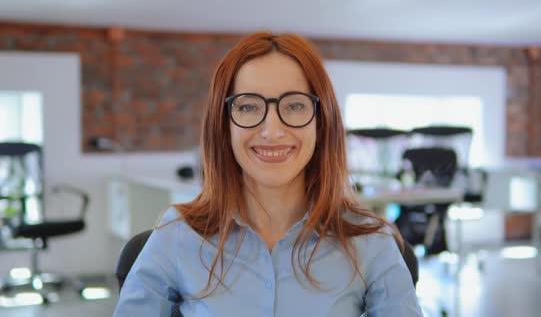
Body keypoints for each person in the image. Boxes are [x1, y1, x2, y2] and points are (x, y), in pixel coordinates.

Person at [113, 32, 423, 317]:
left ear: (321, 121)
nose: (272, 130)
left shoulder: (370, 241)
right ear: (224, 126)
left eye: (295, 105)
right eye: (248, 107)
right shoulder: (177, 236)